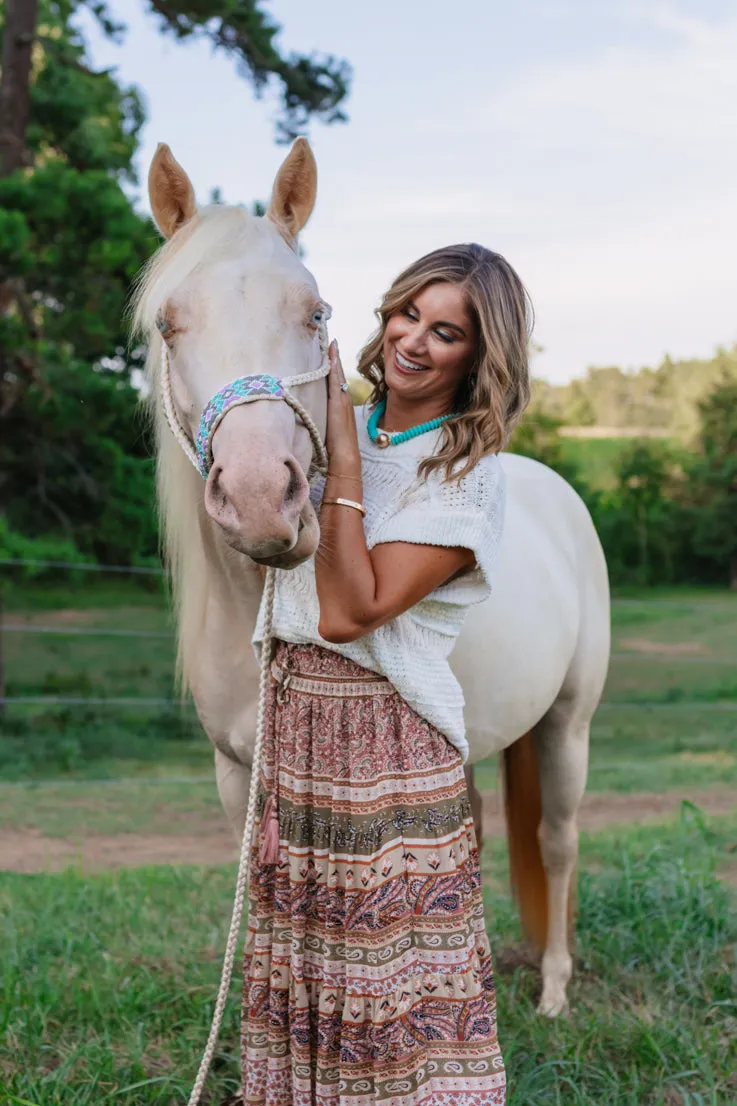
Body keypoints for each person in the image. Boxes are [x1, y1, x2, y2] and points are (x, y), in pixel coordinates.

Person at [243, 243, 532, 1105]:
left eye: (444, 332)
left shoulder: (464, 474)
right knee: (306, 946)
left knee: (381, 972)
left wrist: (337, 439)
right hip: (298, 723)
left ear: (478, 357)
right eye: (406, 313)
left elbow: (348, 611)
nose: (411, 340)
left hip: (385, 743)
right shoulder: (339, 425)